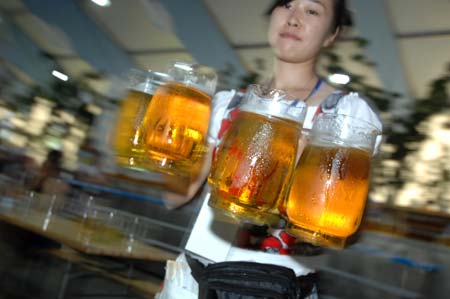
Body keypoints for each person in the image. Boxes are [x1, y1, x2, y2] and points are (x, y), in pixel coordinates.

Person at [157, 1, 383, 298]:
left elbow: (342, 230)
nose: (294, 18)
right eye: (287, 4)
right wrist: (172, 139)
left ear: (332, 35)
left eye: (312, 10)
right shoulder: (229, 104)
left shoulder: (345, 116)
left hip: (275, 288)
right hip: (196, 279)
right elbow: (174, 197)